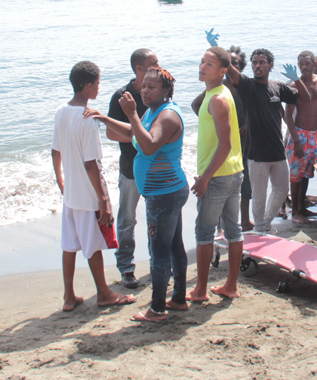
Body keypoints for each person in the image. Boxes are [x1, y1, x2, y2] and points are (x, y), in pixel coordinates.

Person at [90, 66, 189, 322]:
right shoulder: (151, 111)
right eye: (143, 85)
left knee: (159, 251)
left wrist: (133, 113)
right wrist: (104, 118)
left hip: (165, 193)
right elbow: (133, 134)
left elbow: (147, 147)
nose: (144, 91)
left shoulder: (167, 116)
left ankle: (157, 309)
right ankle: (178, 299)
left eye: (151, 87)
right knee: (174, 245)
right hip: (163, 192)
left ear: (166, 90)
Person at [52, 61, 136, 312]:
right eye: (97, 83)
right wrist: (103, 200)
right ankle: (104, 293)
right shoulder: (88, 119)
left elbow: (55, 151)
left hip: (70, 194)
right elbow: (92, 165)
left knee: (70, 246)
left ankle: (69, 296)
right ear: (88, 86)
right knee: (93, 246)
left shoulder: (61, 111)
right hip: (88, 195)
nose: (99, 87)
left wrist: (61, 182)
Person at [225, 47, 312, 234]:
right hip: (256, 153)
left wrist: (296, 79)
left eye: (262, 62)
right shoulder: (247, 85)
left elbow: (305, 98)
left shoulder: (278, 87)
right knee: (259, 196)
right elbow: (230, 70)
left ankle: (263, 224)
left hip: (277, 150)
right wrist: (219, 51)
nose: (257, 66)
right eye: (255, 63)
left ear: (270, 65)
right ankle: (261, 229)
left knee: (282, 190)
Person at [186, 47, 245, 302]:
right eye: (202, 61)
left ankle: (200, 290)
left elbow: (225, 145)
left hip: (219, 175)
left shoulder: (218, 99)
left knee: (204, 232)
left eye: (209, 64)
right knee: (234, 230)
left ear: (223, 71)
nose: (202, 66)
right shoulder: (218, 93)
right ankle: (230, 286)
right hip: (232, 171)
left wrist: (205, 177)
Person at [107, 48, 158, 289]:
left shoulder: (159, 91)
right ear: (139, 69)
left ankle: (158, 263)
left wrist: (151, 139)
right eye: (153, 63)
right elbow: (110, 132)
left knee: (156, 219)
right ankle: (126, 268)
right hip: (130, 169)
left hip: (157, 167)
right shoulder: (122, 95)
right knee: (127, 220)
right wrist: (144, 137)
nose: (158, 65)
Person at [197, 32, 254, 231]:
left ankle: (244, 221)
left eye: (235, 64)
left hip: (238, 152)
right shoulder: (219, 90)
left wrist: (247, 123)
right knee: (227, 221)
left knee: (245, 188)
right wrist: (211, 121)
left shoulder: (239, 88)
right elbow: (198, 106)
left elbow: (254, 109)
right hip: (227, 155)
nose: (233, 67)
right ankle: (224, 227)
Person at [284, 51, 317, 224]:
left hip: (314, 134)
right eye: (300, 63)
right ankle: (294, 212)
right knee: (295, 175)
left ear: (314, 63)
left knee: (307, 173)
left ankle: (302, 207)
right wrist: (296, 140)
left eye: (307, 63)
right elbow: (288, 116)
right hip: (300, 135)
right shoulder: (294, 86)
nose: (304, 66)